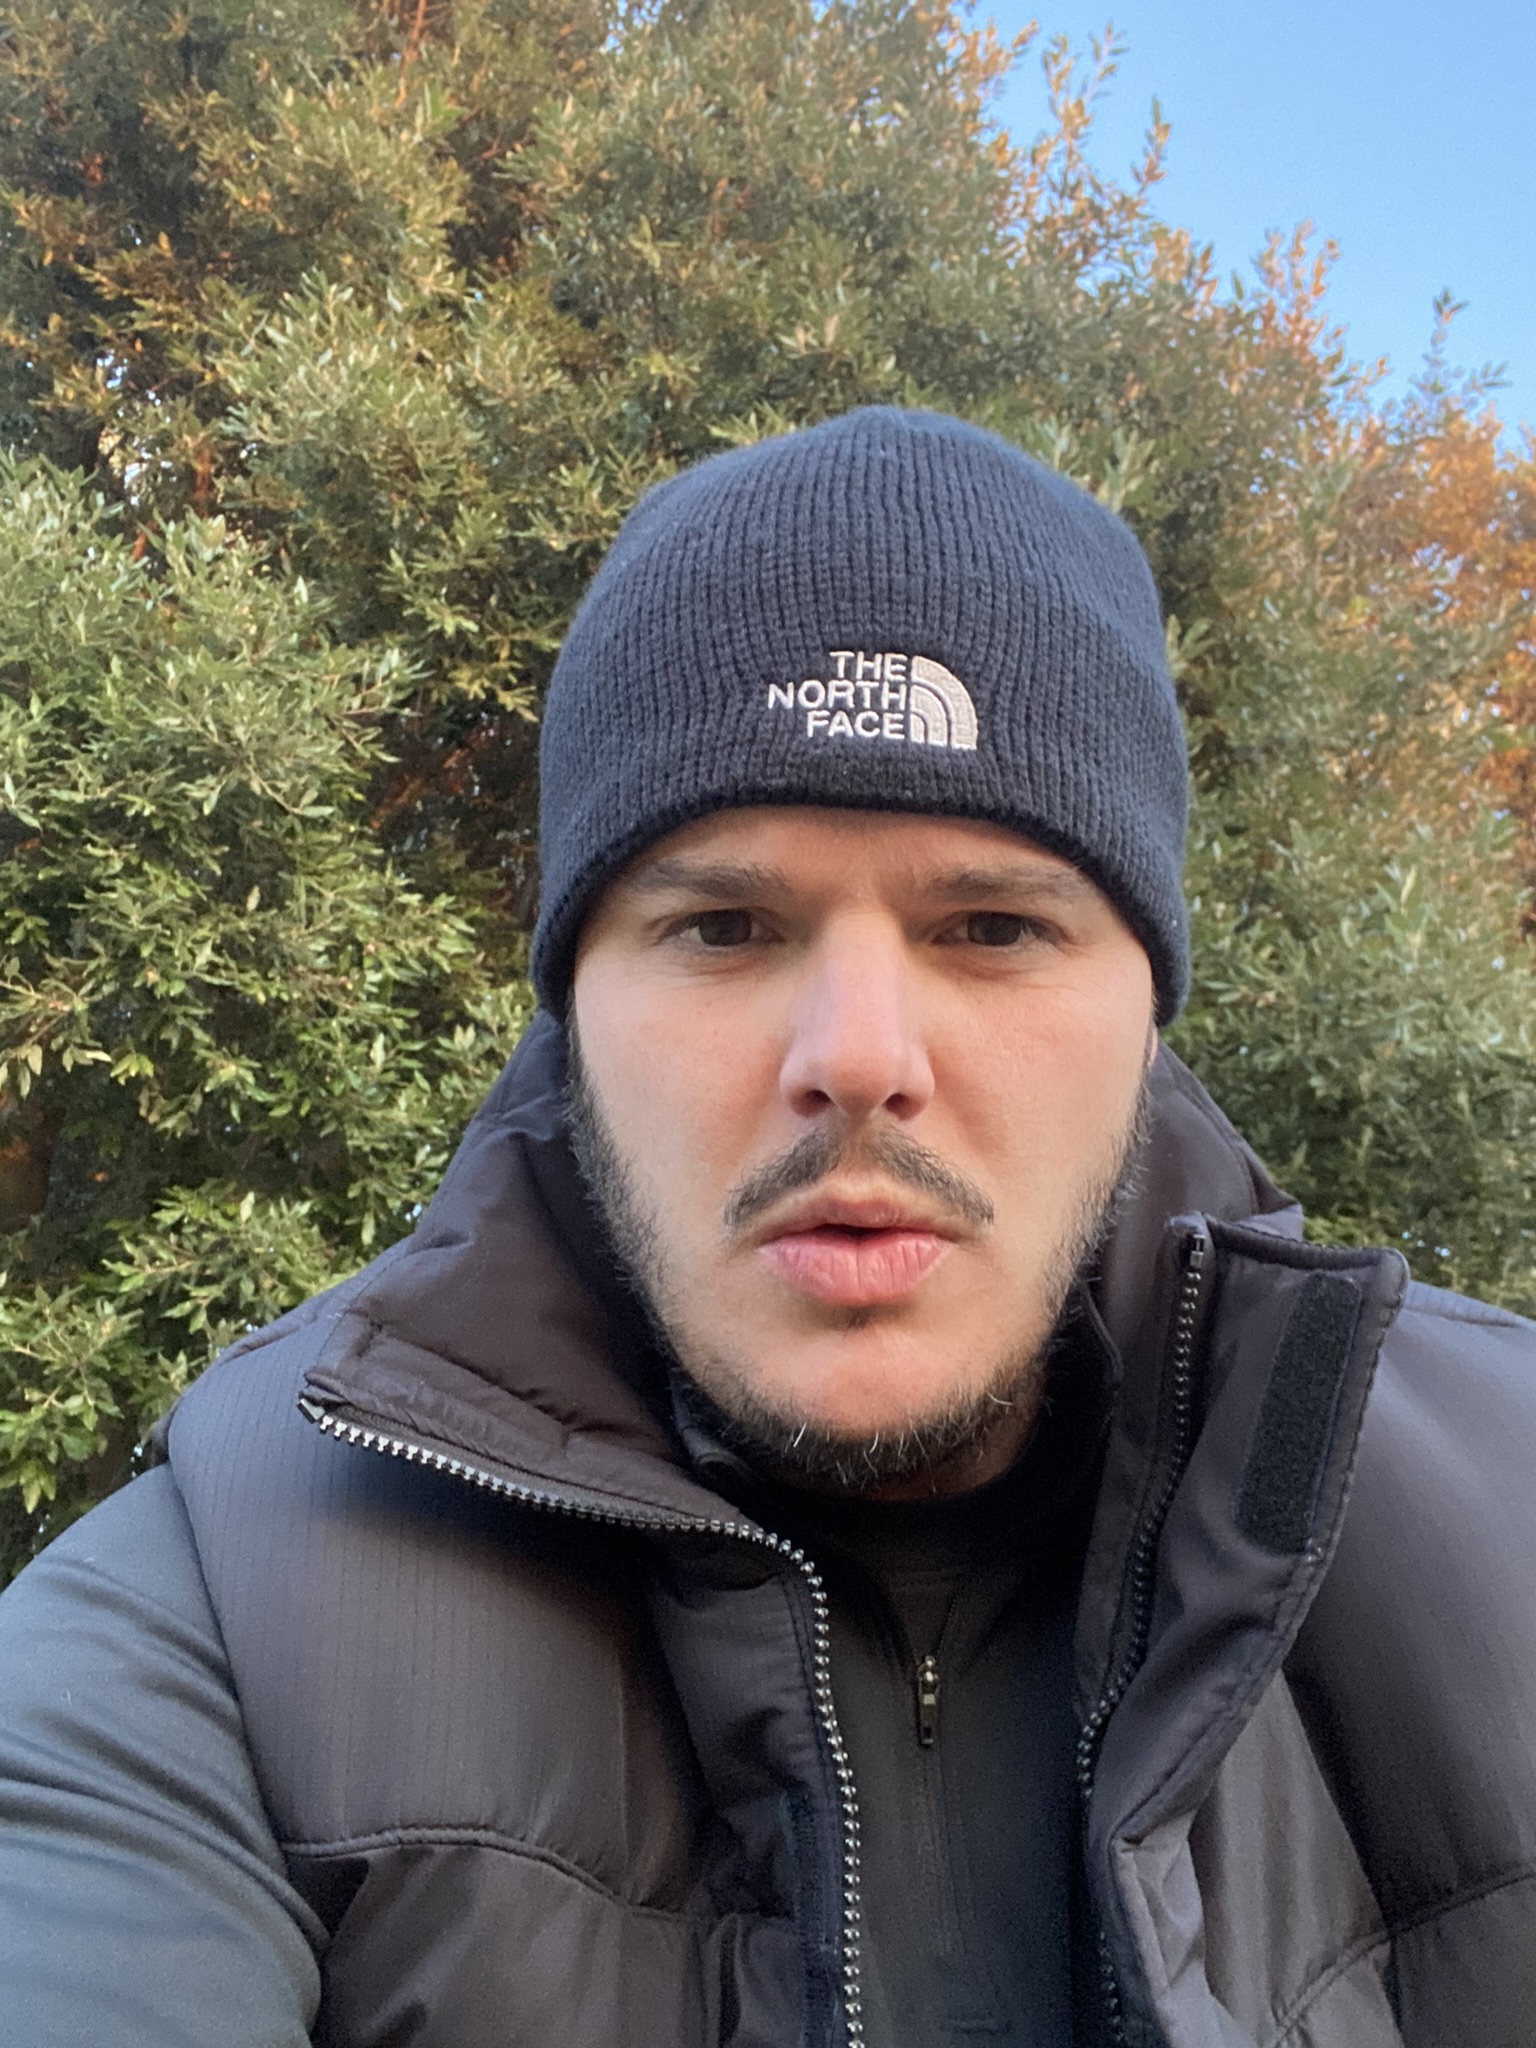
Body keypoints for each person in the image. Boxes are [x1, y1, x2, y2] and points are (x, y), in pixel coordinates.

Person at [2, 407, 1534, 2048]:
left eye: (994, 925)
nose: (859, 1059)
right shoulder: (216, 1619)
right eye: (725, 925)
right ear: (574, 1012)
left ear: (1145, 1014)